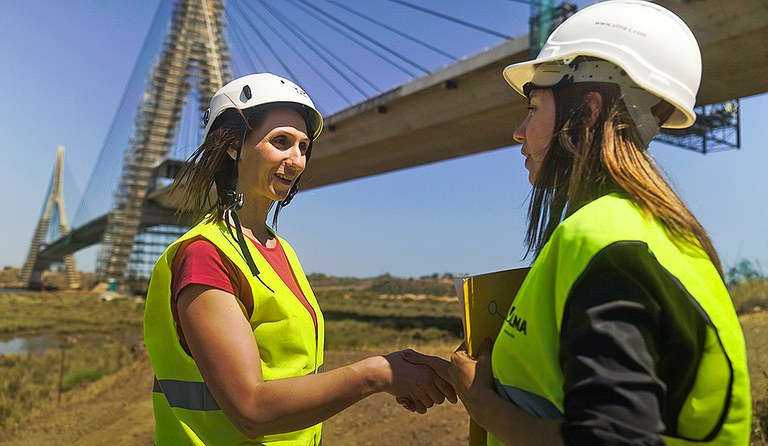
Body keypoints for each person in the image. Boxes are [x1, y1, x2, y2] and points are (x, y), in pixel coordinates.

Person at [433, 1, 752, 444]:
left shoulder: (606, 243)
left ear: (586, 109)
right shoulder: (656, 236)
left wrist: (482, 402)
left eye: (534, 106)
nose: (518, 131)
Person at [143, 72, 456, 445]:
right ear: (232, 146)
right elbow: (251, 409)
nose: (297, 161)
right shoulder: (206, 255)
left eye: (303, 147)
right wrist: (377, 374)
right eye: (281, 142)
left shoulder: (279, 249)